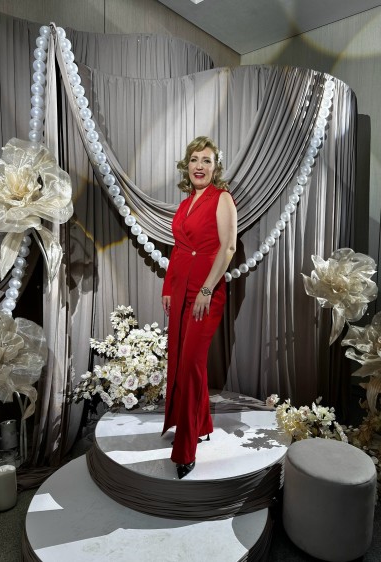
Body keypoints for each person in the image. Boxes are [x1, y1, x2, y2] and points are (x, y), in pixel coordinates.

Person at [161, 136, 237, 479]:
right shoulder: (184, 205)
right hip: (181, 289)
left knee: (191, 363)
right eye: (194, 160)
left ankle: (185, 449)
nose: (199, 166)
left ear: (215, 167)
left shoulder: (222, 199)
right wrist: (168, 287)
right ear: (186, 166)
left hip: (207, 291)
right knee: (183, 360)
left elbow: (228, 248)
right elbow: (178, 249)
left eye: (207, 160)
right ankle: (203, 424)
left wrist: (207, 288)